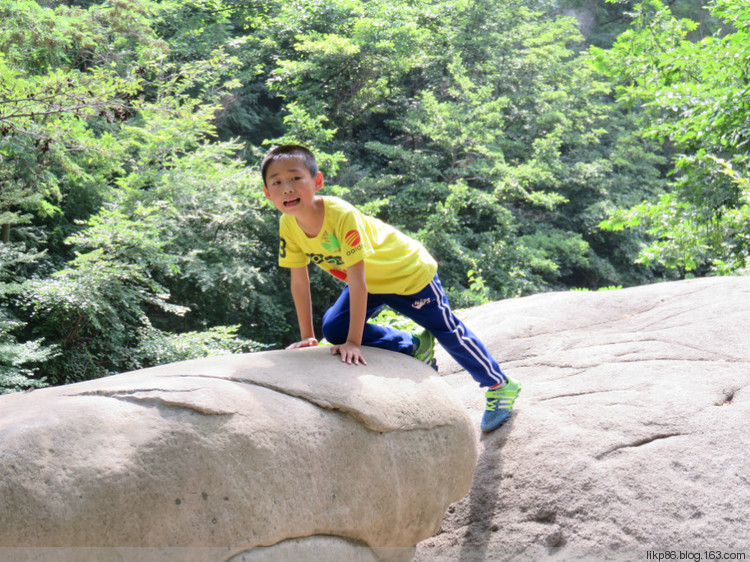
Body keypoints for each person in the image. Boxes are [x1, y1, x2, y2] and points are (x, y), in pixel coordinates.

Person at [261, 144, 521, 432]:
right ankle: (413, 345)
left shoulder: (341, 216)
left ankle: (499, 384)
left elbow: (357, 280)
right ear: (267, 192)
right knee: (334, 329)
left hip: (408, 274)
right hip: (371, 283)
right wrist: (308, 337)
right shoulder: (288, 225)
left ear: (317, 181)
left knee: (447, 330)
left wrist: (354, 343)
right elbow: (299, 280)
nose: (287, 188)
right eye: (277, 182)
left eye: (295, 178)